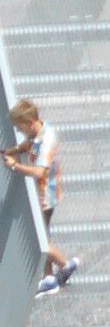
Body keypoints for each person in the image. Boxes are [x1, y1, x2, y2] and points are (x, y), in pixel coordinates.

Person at [7, 99, 75, 295]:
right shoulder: (39, 133)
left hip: (45, 195)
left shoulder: (47, 140)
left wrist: (14, 165)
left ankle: (65, 265)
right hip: (42, 193)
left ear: (29, 123)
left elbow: (38, 172)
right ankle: (48, 279)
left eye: (20, 127)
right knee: (42, 234)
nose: (20, 132)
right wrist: (11, 152)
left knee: (40, 239)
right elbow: (27, 145)